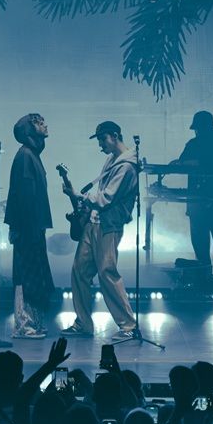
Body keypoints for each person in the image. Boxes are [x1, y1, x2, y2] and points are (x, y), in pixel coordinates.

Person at [60, 120, 137, 341]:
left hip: (108, 226)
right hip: (94, 223)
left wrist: (78, 196)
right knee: (80, 271)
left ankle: (129, 326)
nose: (100, 145)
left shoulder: (127, 166)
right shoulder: (112, 160)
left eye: (103, 139)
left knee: (107, 273)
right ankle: (83, 323)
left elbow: (105, 199)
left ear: (115, 135)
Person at [4, 114, 55, 339]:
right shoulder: (26, 155)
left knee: (34, 274)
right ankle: (24, 325)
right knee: (26, 275)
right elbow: (24, 195)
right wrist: (24, 227)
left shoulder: (31, 155)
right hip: (27, 226)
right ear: (28, 129)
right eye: (38, 122)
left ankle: (33, 322)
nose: (44, 124)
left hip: (33, 225)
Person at [173, 110, 213, 286]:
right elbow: (184, 161)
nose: (197, 132)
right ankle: (211, 276)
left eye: (198, 128)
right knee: (208, 240)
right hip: (203, 201)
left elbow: (206, 163)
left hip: (212, 200)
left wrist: (186, 162)